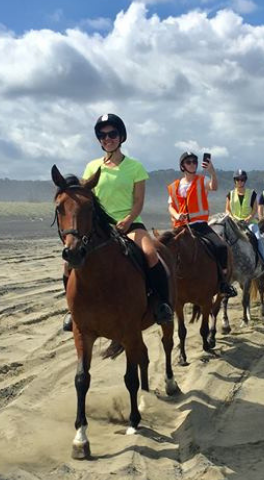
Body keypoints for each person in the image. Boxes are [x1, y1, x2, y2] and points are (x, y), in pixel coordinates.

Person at [62, 113, 173, 331]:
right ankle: (72, 310)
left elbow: (139, 201)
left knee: (151, 255)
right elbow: (87, 199)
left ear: (121, 136)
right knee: (68, 263)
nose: (107, 138)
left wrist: (128, 219)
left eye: (112, 134)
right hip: (100, 228)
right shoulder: (92, 167)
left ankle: (162, 304)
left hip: (131, 225)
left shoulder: (135, 167)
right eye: (102, 136)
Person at [167, 152, 237, 297]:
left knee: (221, 246)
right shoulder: (175, 186)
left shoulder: (202, 180)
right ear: (182, 166)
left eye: (194, 161)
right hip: (181, 227)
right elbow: (170, 206)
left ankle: (223, 282)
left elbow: (214, 186)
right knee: (163, 248)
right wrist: (176, 215)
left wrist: (212, 172)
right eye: (189, 162)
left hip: (200, 226)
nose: (192, 164)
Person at [225, 169, 264, 272]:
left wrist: (248, 218)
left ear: (245, 181)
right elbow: (227, 209)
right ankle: (224, 266)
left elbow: (254, 209)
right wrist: (232, 218)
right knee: (223, 239)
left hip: (249, 222)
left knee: (258, 238)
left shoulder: (252, 193)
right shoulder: (230, 194)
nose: (240, 181)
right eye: (238, 179)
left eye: (242, 179)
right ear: (235, 180)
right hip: (235, 223)